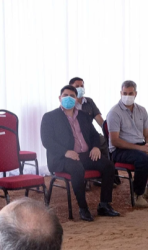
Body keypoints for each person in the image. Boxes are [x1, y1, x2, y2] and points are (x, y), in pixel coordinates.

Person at [41, 85, 120, 221]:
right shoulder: (50, 117)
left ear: (76, 99)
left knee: (108, 165)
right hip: (62, 158)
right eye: (65, 95)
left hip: (85, 155)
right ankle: (83, 208)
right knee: (77, 169)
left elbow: (95, 135)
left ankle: (104, 205)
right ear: (60, 98)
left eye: (72, 96)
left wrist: (95, 147)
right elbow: (47, 141)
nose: (68, 98)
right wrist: (65, 152)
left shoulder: (83, 116)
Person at [106, 80, 148, 208]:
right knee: (145, 160)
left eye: (130, 93)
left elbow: (147, 134)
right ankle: (138, 193)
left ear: (136, 93)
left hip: (140, 145)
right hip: (120, 150)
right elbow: (115, 141)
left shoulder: (142, 110)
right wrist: (141, 149)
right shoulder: (114, 113)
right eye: (125, 93)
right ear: (120, 93)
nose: (127, 96)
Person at [69, 76, 107, 152]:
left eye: (82, 86)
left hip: (91, 134)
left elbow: (100, 120)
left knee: (106, 142)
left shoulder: (89, 101)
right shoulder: (69, 103)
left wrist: (108, 134)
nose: (80, 88)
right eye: (77, 86)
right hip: (75, 136)